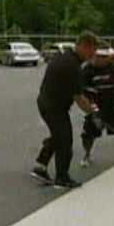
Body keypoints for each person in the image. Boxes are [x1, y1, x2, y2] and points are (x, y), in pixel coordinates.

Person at [31, 31, 102, 189]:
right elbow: (79, 98)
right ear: (85, 46)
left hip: (46, 102)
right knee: (65, 141)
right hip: (53, 107)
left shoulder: (66, 56)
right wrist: (93, 114)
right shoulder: (72, 65)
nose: (93, 55)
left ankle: (40, 167)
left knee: (58, 136)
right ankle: (62, 178)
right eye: (92, 51)